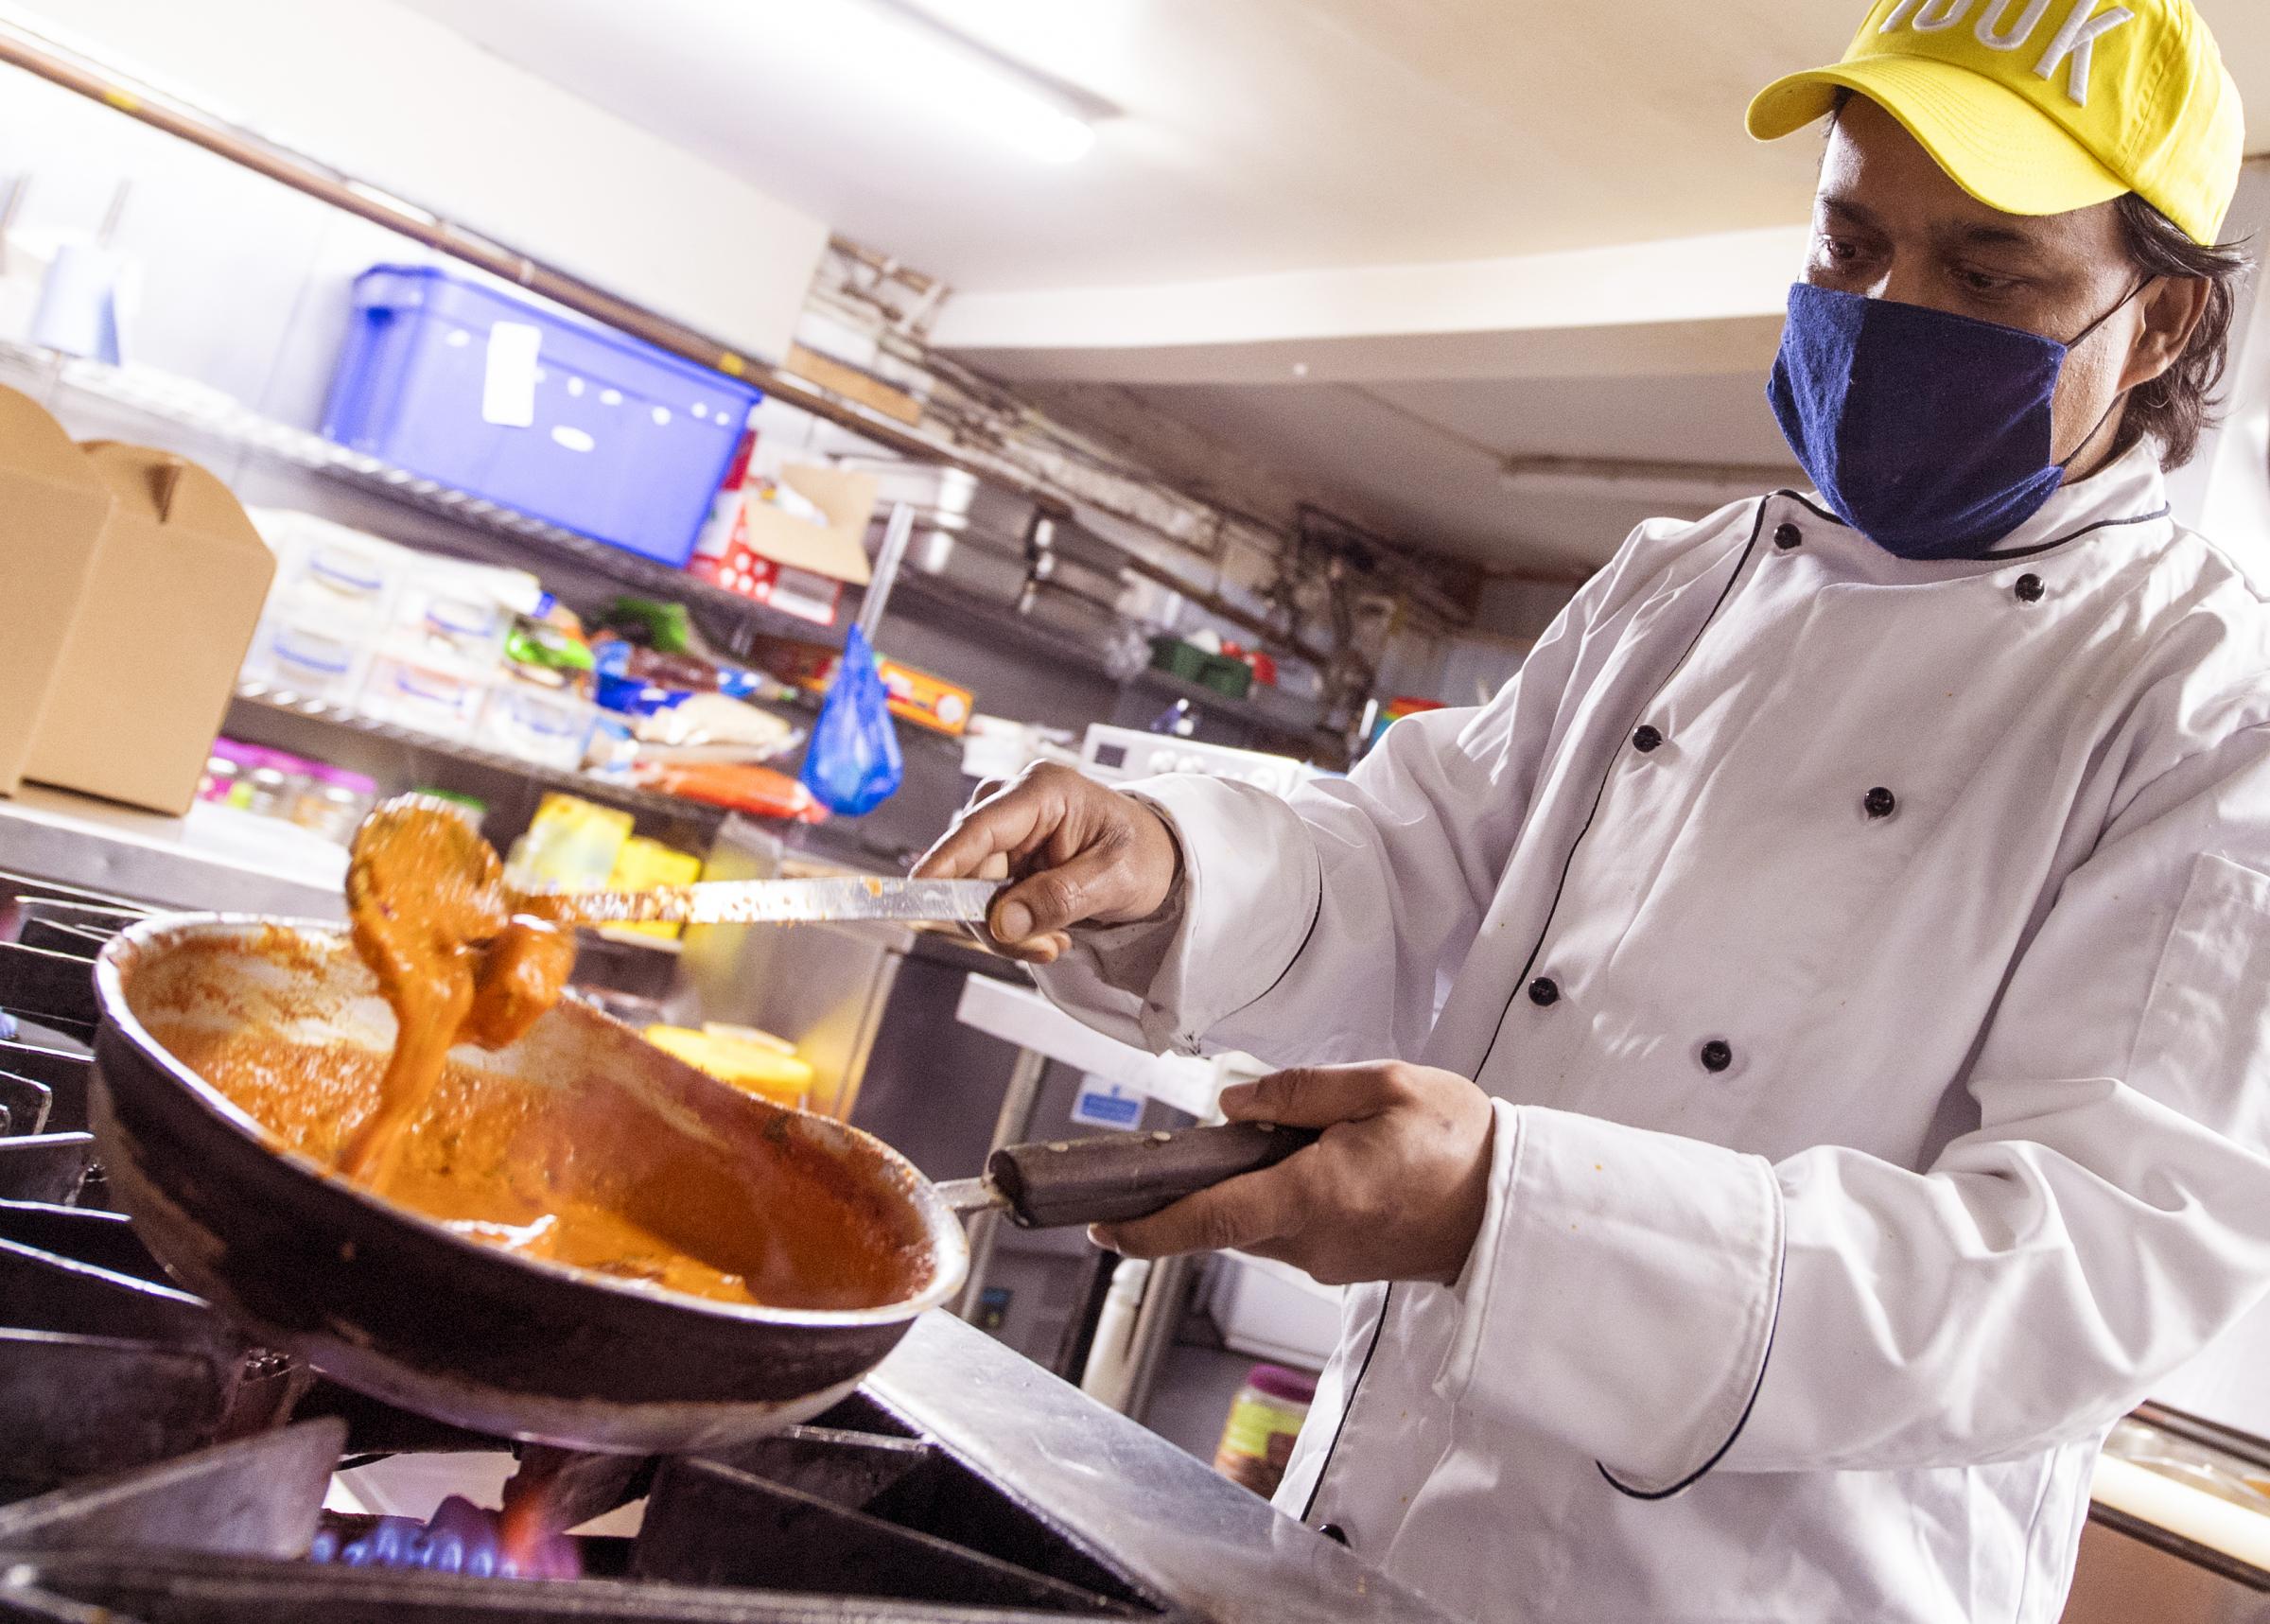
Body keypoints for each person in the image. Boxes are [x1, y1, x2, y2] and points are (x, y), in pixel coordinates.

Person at [917, 1, 2256, 1619]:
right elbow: (1411, 874)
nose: (1890, 312)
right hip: (1377, 1533)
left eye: (1985, 276)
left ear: (2163, 320)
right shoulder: (1676, 589)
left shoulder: (2205, 710)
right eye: (1849, 241)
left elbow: (2075, 1274)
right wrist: (1177, 861)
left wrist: (1509, 1208)